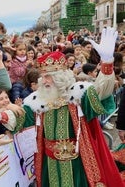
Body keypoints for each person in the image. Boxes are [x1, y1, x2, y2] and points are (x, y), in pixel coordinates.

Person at [23, 27, 124, 186]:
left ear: (61, 77)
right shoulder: (37, 101)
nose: (45, 81)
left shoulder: (78, 94)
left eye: (49, 76)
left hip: (78, 161)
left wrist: (107, 63)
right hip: (50, 163)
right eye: (43, 77)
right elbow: (20, 118)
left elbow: (102, 92)